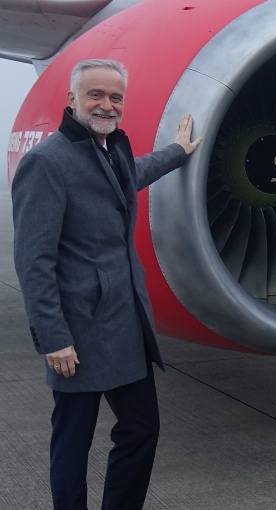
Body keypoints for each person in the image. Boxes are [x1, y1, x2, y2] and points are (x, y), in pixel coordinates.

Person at [12, 58, 202, 510]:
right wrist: (53, 337)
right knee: (73, 444)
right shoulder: (46, 162)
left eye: (115, 97)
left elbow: (129, 177)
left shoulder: (111, 148)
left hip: (123, 325)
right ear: (72, 100)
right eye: (95, 95)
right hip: (76, 333)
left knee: (141, 429)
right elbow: (33, 261)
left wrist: (177, 152)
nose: (106, 104)